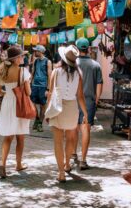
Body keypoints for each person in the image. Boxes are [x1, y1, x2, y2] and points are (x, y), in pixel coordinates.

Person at [46, 45, 88, 182]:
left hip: (57, 106)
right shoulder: (79, 73)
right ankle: (68, 164)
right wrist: (86, 113)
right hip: (72, 107)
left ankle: (61, 173)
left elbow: (51, 93)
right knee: (70, 139)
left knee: (58, 141)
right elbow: (80, 96)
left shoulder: (56, 71)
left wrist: (47, 112)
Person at [0, 46, 32, 178]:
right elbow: (28, 92)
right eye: (21, 56)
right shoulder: (23, 71)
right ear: (16, 59)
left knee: (8, 137)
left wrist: (8, 93)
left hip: (7, 103)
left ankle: (2, 164)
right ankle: (18, 164)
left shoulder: (3, 71)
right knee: (20, 137)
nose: (23, 58)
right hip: (19, 104)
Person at [71, 38, 103, 170]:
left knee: (73, 128)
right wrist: (96, 100)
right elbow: (99, 84)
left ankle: (73, 154)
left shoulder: (72, 64)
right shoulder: (96, 65)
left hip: (73, 100)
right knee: (85, 129)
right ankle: (83, 160)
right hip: (89, 101)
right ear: (88, 49)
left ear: (77, 50)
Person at [30, 45, 52, 132]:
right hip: (34, 85)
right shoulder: (35, 61)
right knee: (32, 103)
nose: (35, 52)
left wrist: (48, 89)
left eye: (36, 51)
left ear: (41, 52)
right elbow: (32, 73)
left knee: (43, 106)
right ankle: (37, 118)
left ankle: (40, 123)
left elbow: (49, 75)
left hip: (43, 86)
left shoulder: (48, 62)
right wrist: (30, 83)